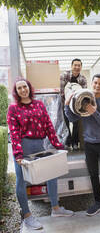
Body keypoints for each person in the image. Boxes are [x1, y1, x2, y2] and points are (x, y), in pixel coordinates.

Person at [7, 78, 74, 230]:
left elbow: (49, 126)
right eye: (19, 88)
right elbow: (14, 132)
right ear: (16, 92)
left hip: (40, 144)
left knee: (51, 174)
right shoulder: (13, 109)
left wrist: (58, 145)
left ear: (29, 88)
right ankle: (27, 216)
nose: (23, 90)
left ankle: (56, 209)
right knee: (21, 181)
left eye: (25, 87)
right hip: (23, 146)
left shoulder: (39, 104)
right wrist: (18, 154)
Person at [64, 74, 100, 224]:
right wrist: (67, 104)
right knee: (93, 175)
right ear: (91, 83)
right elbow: (72, 118)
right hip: (89, 144)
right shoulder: (84, 99)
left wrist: (94, 111)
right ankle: (99, 203)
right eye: (95, 83)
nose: (97, 85)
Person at [60, 58, 87, 150]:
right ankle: (68, 142)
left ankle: (75, 142)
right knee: (66, 123)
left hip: (77, 105)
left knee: (76, 123)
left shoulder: (82, 79)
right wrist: (68, 102)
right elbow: (61, 92)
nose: (77, 67)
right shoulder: (64, 75)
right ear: (71, 66)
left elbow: (84, 93)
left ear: (81, 67)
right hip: (65, 103)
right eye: (75, 65)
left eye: (79, 65)